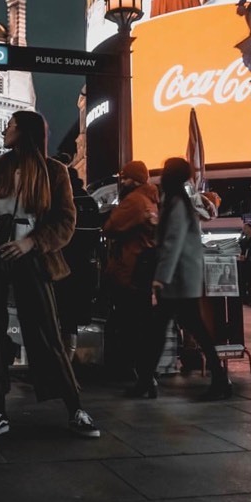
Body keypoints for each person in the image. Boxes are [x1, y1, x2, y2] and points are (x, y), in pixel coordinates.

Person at [0, 110, 100, 439]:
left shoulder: (54, 172)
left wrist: (31, 243)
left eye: (11, 125)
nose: (6, 130)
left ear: (24, 131)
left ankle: (74, 406)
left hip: (31, 256)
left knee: (46, 331)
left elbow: (65, 223)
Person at [137, 157, 232, 400]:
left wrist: (161, 277)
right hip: (180, 277)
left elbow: (173, 242)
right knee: (175, 328)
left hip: (178, 278)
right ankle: (147, 380)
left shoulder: (177, 201)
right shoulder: (178, 200)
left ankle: (148, 381)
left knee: (168, 328)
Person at [102, 160, 160, 395]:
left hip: (130, 268)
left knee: (131, 324)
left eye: (124, 178)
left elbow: (111, 226)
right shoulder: (151, 200)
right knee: (141, 323)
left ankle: (141, 376)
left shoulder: (134, 200)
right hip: (142, 268)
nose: (122, 182)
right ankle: (145, 376)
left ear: (133, 180)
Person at [52, 165, 102, 363]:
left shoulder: (63, 200)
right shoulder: (89, 201)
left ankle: (59, 361)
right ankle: (68, 359)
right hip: (84, 267)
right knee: (71, 317)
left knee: (58, 313)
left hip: (62, 264)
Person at [237, 220, 251, 302]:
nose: (244, 230)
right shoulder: (243, 241)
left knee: (250, 280)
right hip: (244, 262)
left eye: (245, 228)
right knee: (243, 280)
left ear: (250, 228)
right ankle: (244, 297)